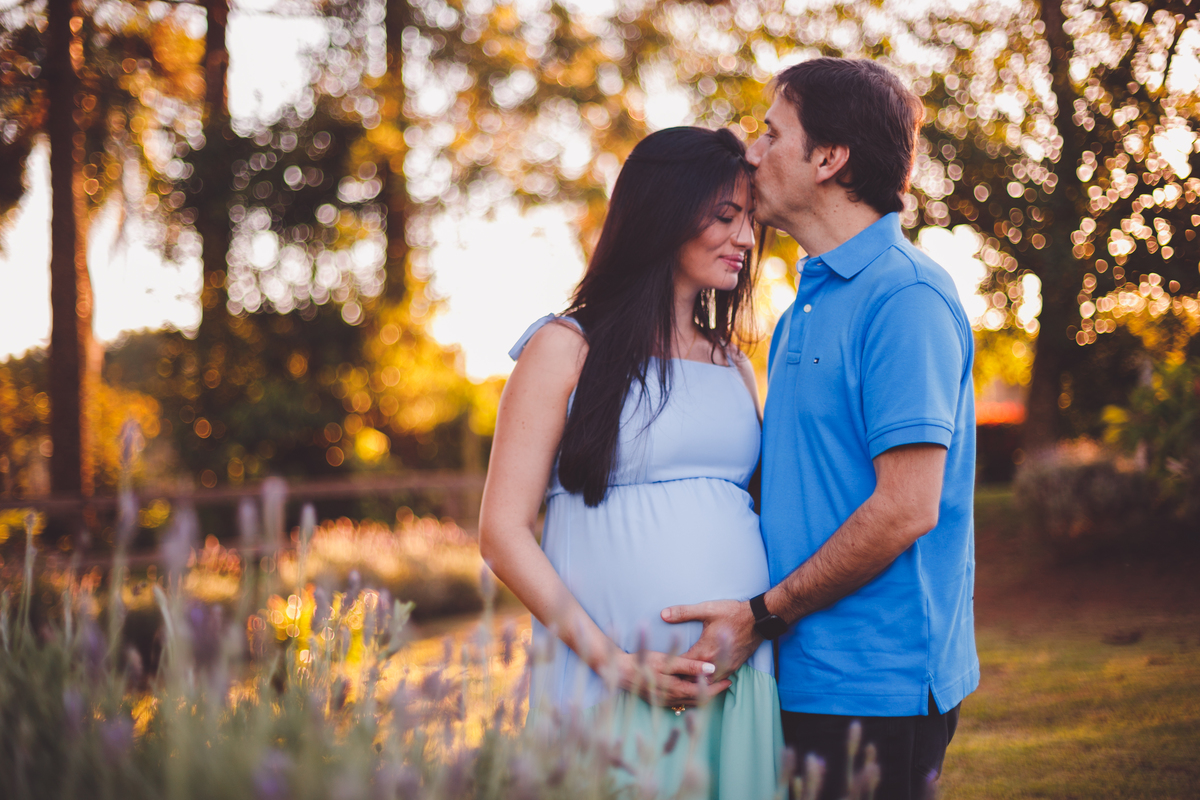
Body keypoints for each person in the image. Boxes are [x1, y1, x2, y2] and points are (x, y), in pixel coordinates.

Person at [662, 58, 978, 800]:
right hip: (801, 673)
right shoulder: (806, 301)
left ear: (829, 159)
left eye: (772, 133)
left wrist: (764, 615)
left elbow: (906, 506)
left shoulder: (905, 297)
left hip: (877, 686)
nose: (752, 152)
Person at [478, 126, 783, 798]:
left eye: (751, 221)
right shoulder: (564, 348)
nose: (744, 239)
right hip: (605, 687)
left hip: (738, 683)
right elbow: (501, 533)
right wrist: (613, 664)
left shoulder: (734, 364)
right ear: (662, 213)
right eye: (725, 217)